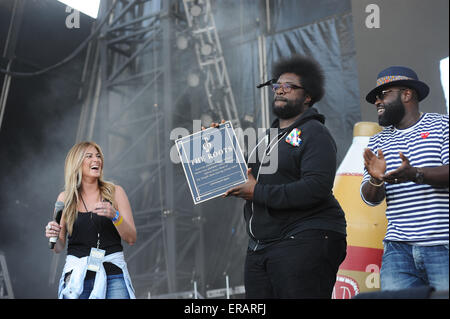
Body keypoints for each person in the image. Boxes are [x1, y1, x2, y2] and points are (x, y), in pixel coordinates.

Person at [222, 55, 347, 298]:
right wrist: (214, 143)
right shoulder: (266, 140)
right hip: (261, 245)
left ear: (307, 96)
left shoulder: (314, 132)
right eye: (276, 86)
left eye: (289, 86)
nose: (280, 90)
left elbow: (316, 187)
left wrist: (257, 192)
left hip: (304, 236)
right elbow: (243, 177)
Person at [360, 66, 449, 291]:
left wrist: (414, 174)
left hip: (443, 245)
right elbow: (370, 198)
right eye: (375, 98)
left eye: (383, 95)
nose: (377, 102)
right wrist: (376, 180)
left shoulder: (442, 126)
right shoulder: (376, 142)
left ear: (407, 94)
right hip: (398, 250)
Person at [44, 141, 137, 299]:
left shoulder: (115, 192)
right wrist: (53, 234)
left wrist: (115, 216)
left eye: (98, 156)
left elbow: (131, 238)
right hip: (77, 276)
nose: (96, 160)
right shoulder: (65, 198)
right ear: (77, 163)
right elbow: (58, 247)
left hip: (113, 274)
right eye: (89, 156)